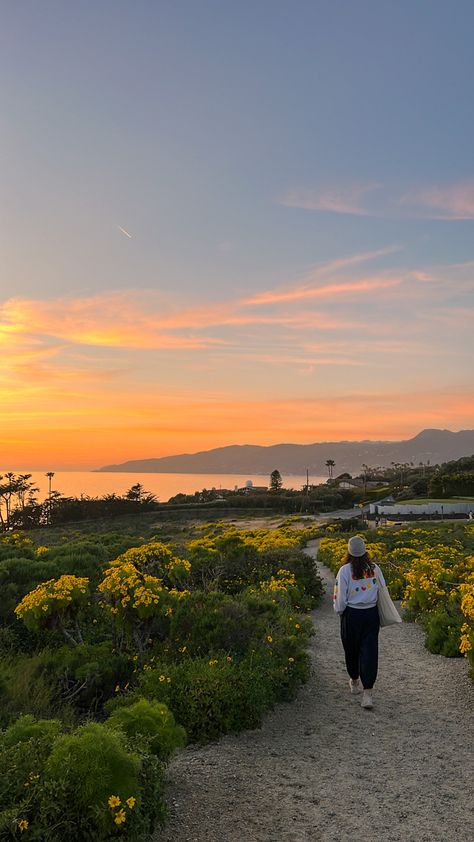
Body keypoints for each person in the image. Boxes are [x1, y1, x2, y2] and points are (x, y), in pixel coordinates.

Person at [333, 535, 386, 709]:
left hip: (352, 615)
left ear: (349, 551)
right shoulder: (374, 568)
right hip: (371, 614)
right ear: (365, 551)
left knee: (351, 649)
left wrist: (340, 611)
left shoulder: (345, 570)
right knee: (370, 651)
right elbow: (382, 589)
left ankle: (354, 680)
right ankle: (368, 694)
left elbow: (340, 596)